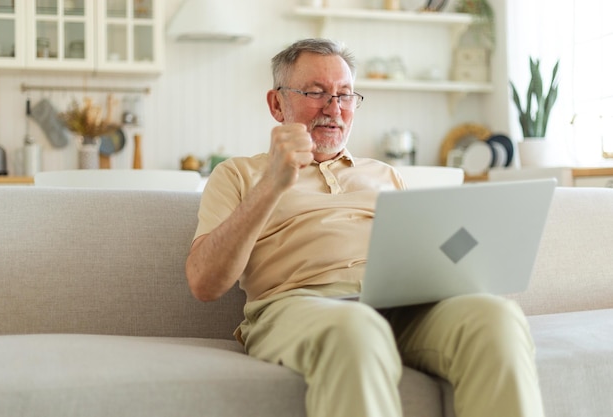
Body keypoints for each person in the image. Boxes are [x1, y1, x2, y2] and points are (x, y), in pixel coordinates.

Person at [185, 38, 545, 417]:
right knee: (356, 329)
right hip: (300, 307)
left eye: (345, 95)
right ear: (277, 104)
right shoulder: (239, 174)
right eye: (316, 92)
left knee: (495, 318)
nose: (334, 108)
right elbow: (204, 282)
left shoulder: (386, 174)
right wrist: (273, 183)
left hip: (400, 307)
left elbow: (422, 258)